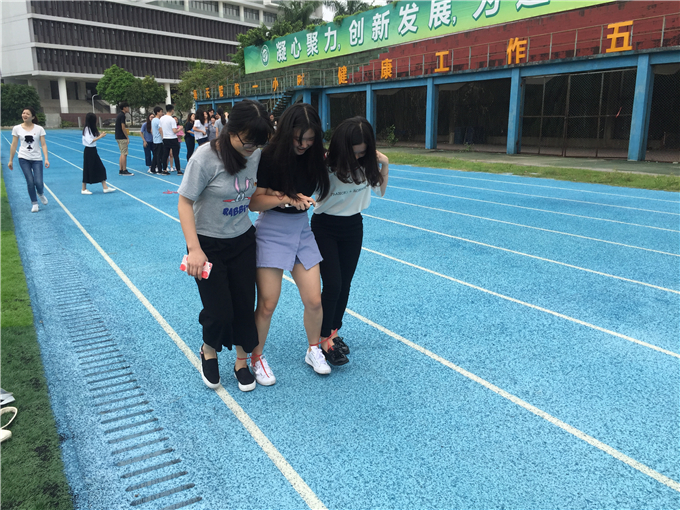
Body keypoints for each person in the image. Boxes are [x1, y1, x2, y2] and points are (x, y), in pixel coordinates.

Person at [178, 99, 273, 392]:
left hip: (242, 239)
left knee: (244, 305)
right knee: (220, 311)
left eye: (258, 143)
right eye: (247, 142)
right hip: (208, 245)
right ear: (231, 130)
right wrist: (194, 249)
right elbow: (184, 202)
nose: (252, 149)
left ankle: (241, 362)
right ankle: (209, 349)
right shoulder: (204, 159)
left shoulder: (255, 154)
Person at [249, 103, 347, 379]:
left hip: (302, 230)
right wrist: (287, 198)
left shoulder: (316, 157)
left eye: (310, 139)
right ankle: (256, 358)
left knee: (314, 300)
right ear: (286, 133)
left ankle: (313, 349)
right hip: (271, 231)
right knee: (267, 304)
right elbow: (254, 202)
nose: (304, 144)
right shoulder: (268, 157)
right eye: (298, 139)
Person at [311, 117, 389, 358]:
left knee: (345, 283)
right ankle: (323, 336)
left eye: (362, 152)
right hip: (325, 227)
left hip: (353, 226)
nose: (357, 157)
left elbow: (381, 190)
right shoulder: (325, 164)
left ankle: (333, 331)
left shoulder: (367, 164)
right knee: (333, 284)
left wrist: (384, 164)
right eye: (353, 152)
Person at [7, 107, 50, 212]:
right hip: (23, 158)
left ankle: (40, 193)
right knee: (30, 181)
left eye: (27, 114)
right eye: (23, 113)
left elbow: (43, 144)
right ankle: (34, 203)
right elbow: (14, 145)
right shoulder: (17, 128)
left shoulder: (39, 129)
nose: (24, 115)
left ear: (33, 117)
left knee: (38, 182)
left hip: (37, 159)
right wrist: (10, 160)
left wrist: (46, 159)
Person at [81, 112, 115, 195]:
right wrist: (100, 137)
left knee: (100, 168)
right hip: (89, 151)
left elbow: (93, 138)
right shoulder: (87, 129)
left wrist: (100, 135)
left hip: (93, 150)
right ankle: (83, 188)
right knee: (88, 169)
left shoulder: (90, 128)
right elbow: (90, 141)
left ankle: (105, 187)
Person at [159, 104, 182, 175]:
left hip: (165, 138)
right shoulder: (172, 119)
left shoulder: (161, 118)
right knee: (176, 155)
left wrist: (163, 136)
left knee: (165, 155)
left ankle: (164, 169)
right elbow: (174, 131)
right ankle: (178, 170)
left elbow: (160, 129)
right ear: (172, 110)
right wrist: (180, 129)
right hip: (172, 138)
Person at [115, 101, 133, 176]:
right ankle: (124, 170)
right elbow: (123, 127)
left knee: (122, 153)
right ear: (124, 108)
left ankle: (121, 169)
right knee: (124, 153)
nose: (128, 108)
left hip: (118, 136)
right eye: (127, 107)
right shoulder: (122, 115)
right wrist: (127, 137)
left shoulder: (119, 115)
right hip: (122, 136)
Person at [150, 106, 164, 174]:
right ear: (157, 112)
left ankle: (153, 168)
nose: (162, 113)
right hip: (159, 140)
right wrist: (163, 138)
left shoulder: (153, 120)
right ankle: (159, 169)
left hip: (155, 139)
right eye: (161, 112)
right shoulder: (158, 121)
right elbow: (160, 130)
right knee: (159, 155)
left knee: (155, 155)